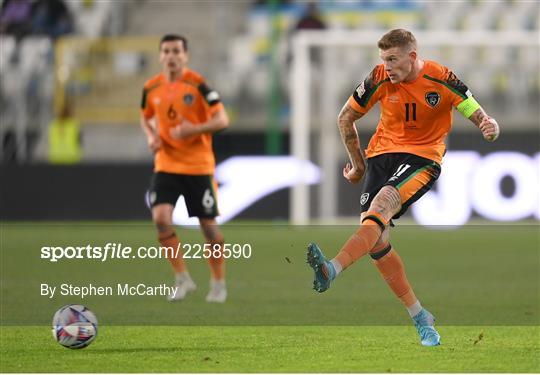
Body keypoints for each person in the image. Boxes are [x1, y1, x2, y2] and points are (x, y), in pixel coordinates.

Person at [306, 29, 500, 346]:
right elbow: (345, 119)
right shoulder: (379, 77)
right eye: (383, 59)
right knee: (377, 240)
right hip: (381, 155)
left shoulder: (440, 77)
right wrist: (357, 164)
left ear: (411, 56)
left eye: (393, 60)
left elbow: (467, 104)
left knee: (382, 204)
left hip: (423, 157)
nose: (387, 66)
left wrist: (485, 123)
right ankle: (420, 316)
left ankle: (332, 268)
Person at [140, 34, 230, 303]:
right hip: (166, 164)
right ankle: (182, 278)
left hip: (198, 167)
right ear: (160, 56)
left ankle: (218, 282)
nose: (171, 56)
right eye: (166, 51)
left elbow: (222, 119)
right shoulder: (150, 88)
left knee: (209, 228)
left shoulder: (199, 85)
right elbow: (145, 117)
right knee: (160, 218)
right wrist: (151, 136)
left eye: (176, 51)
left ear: (185, 55)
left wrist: (195, 128)